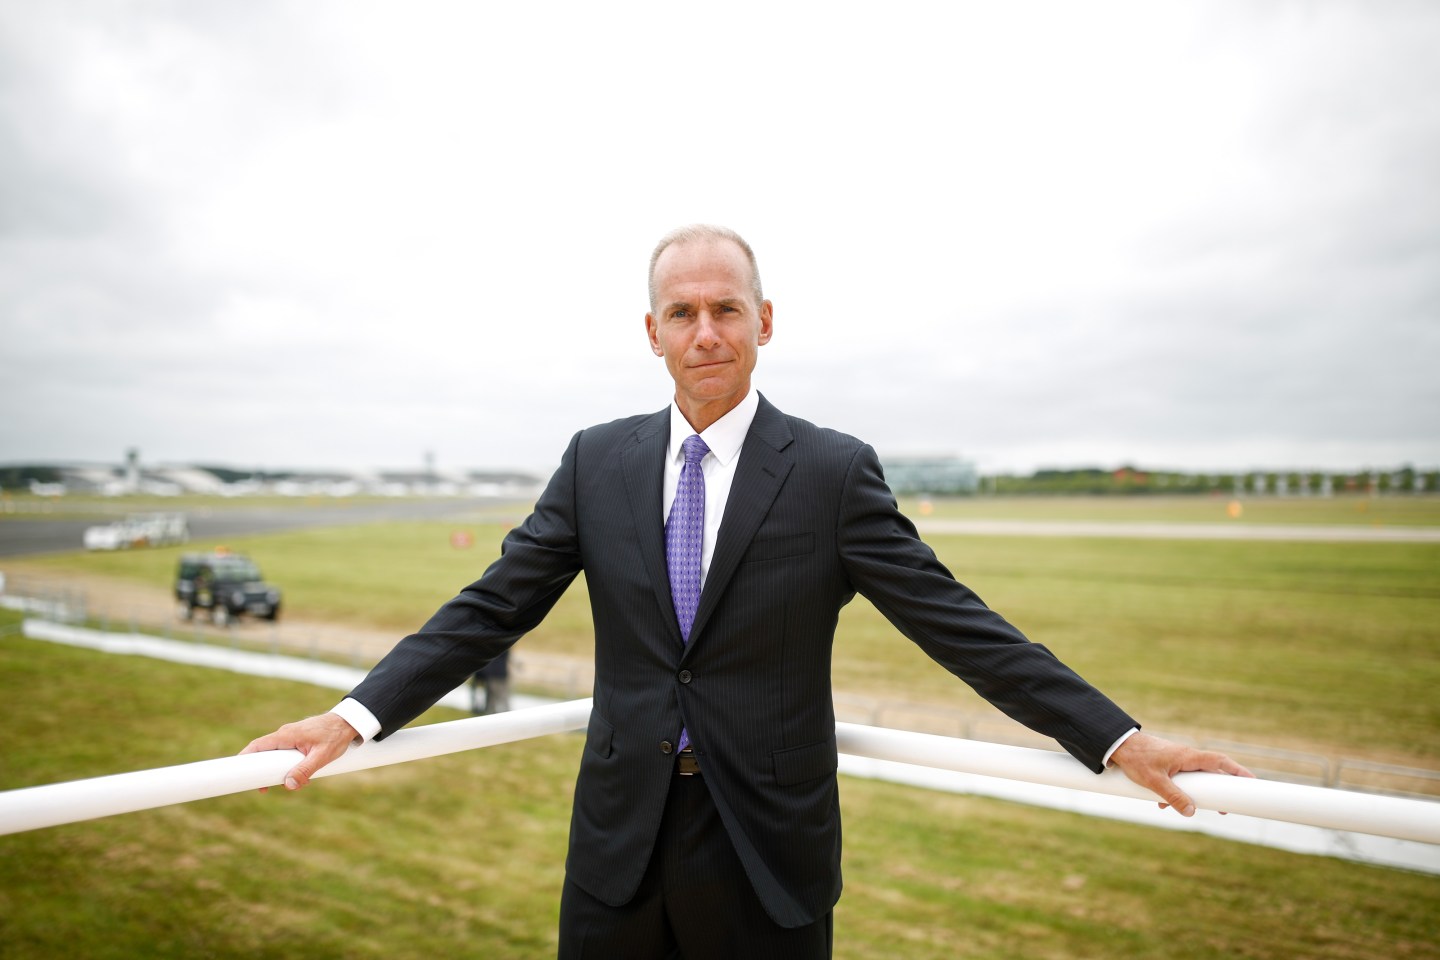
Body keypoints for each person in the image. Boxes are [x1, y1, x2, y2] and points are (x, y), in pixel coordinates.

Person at [243, 224, 1252, 959]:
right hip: (617, 853)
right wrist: (353, 717)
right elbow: (491, 606)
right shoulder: (596, 462)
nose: (706, 332)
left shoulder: (831, 472)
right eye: (682, 313)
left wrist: (1118, 739)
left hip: (766, 857)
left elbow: (958, 625)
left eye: (726, 309)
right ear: (652, 332)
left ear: (763, 321)